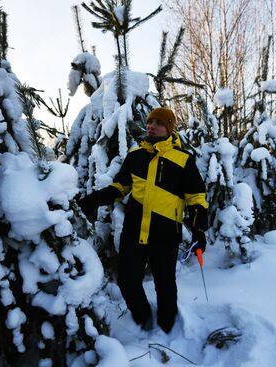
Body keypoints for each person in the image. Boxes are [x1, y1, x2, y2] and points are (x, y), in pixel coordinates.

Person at [77, 107, 208, 333]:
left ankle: (168, 324)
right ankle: (143, 319)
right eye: (149, 122)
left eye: (157, 122)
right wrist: (92, 200)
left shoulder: (183, 159)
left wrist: (199, 231)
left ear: (169, 127)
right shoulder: (135, 156)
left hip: (165, 233)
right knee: (127, 281)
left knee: (165, 285)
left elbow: (196, 196)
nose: (151, 126)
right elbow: (120, 187)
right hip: (134, 231)